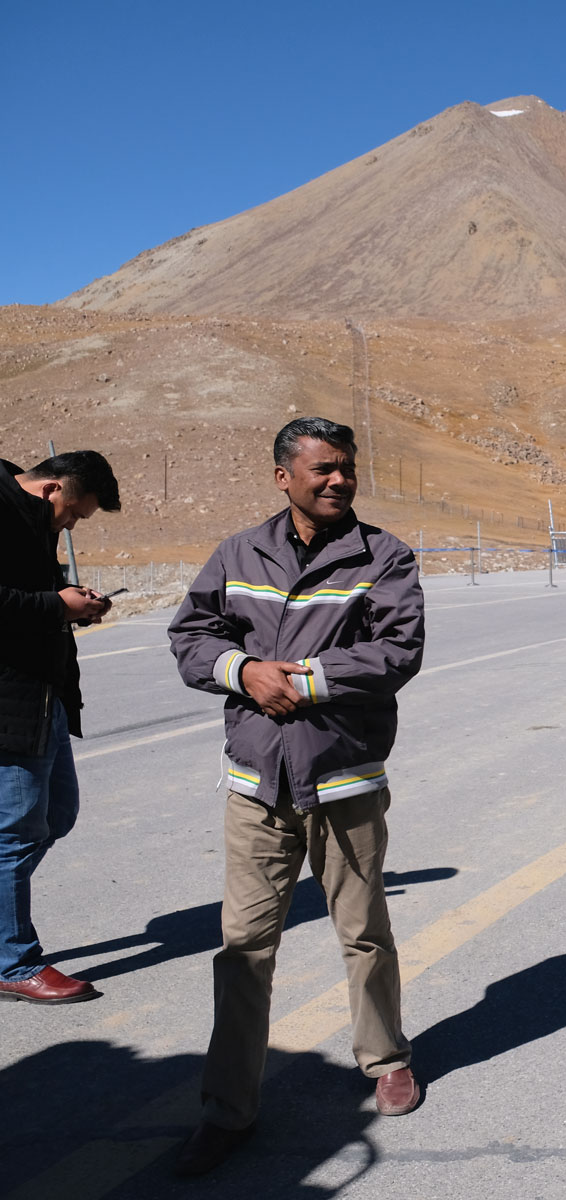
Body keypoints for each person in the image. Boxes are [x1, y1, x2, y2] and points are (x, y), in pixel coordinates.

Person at [166, 418, 426, 1175]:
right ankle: (228, 1108)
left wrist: (300, 680)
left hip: (343, 780)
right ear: (284, 476)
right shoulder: (237, 553)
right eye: (322, 469)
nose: (339, 480)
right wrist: (243, 672)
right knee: (244, 949)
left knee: (364, 931)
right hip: (257, 787)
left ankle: (386, 1059)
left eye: (346, 468)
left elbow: (397, 650)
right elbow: (191, 637)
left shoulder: (384, 556)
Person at [0, 451, 119, 1004]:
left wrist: (77, 604)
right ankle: (12, 963)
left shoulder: (29, 519)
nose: (71, 525)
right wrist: (56, 605)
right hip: (10, 701)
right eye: (73, 514)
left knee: (56, 816)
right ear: (52, 489)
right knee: (16, 834)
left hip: (44, 699)